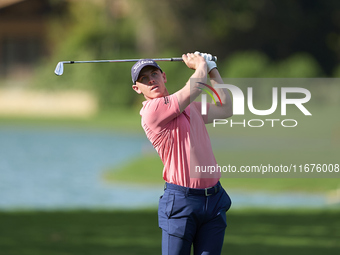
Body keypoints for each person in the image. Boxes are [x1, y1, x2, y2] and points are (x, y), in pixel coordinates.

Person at [131, 52, 233, 255]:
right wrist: (201, 65)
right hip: (181, 202)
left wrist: (212, 70)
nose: (151, 79)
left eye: (154, 74)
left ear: (164, 76)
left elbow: (226, 108)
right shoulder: (151, 111)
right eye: (144, 79)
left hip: (214, 201)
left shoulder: (191, 108)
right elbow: (193, 88)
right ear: (137, 89)